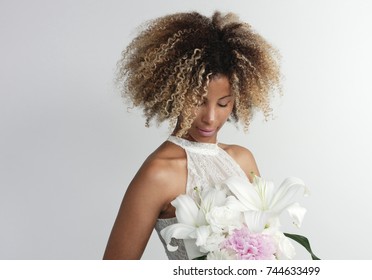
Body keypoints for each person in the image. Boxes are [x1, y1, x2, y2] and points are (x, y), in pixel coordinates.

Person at [103, 11, 281, 259]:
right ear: (174, 94)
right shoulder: (158, 174)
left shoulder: (243, 160)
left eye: (223, 104)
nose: (210, 117)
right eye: (198, 101)